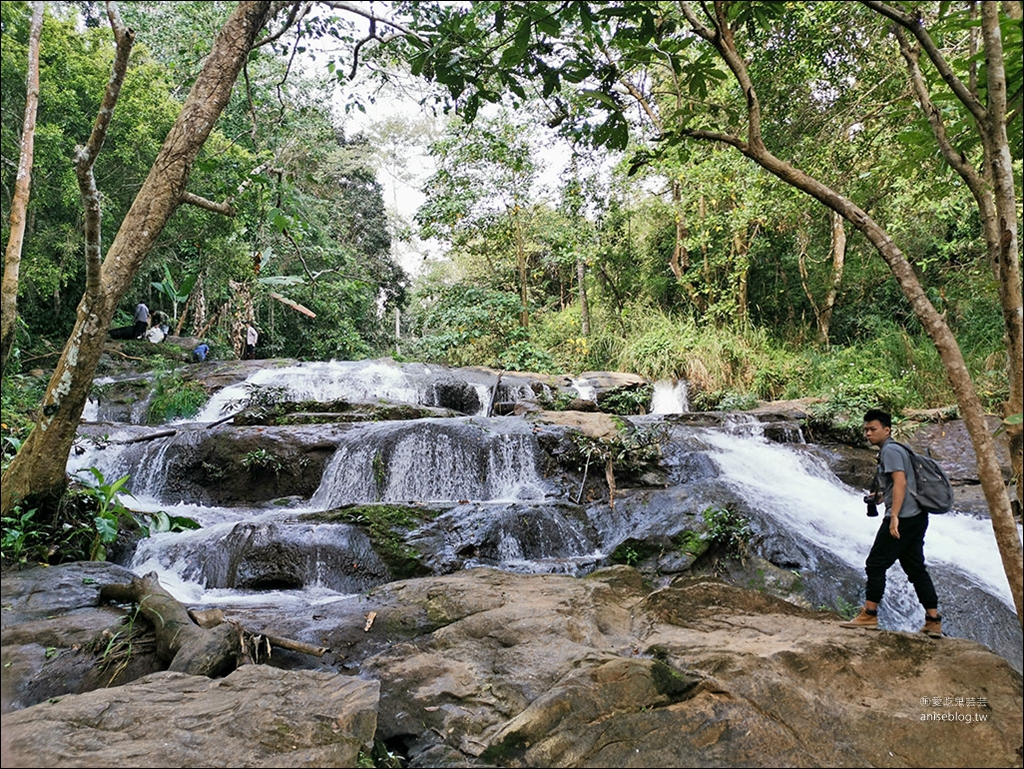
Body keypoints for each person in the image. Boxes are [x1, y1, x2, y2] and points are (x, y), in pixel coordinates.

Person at [840, 409, 942, 637]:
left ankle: (869, 615)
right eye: (865, 429)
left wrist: (894, 516)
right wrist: (880, 498)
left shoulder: (891, 451)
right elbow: (899, 485)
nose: (868, 433)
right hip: (917, 516)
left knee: (875, 564)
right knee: (916, 569)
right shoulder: (898, 449)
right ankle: (933, 621)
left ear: (887, 430)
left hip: (902, 518)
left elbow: (901, 483)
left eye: (873, 429)